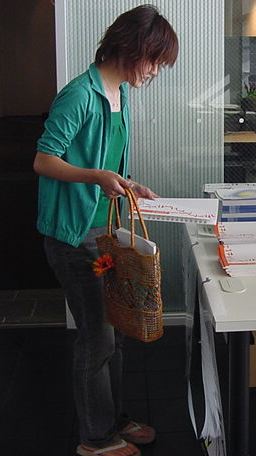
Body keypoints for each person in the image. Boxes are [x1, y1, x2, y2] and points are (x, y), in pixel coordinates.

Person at [33, 6, 178, 456]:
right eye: (154, 61)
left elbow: (106, 160)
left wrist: (127, 183)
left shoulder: (120, 93)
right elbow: (43, 160)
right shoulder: (79, 94)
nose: (154, 72)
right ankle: (94, 439)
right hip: (74, 237)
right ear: (131, 48)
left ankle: (113, 418)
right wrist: (97, 177)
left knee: (115, 328)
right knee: (96, 338)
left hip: (105, 233)